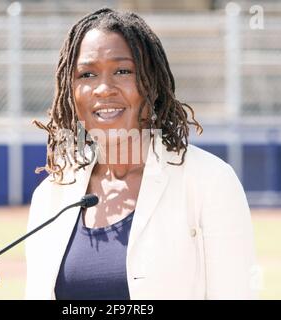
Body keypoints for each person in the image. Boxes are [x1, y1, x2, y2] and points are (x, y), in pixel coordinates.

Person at [26, 7, 257, 300]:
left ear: (153, 85)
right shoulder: (52, 195)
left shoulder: (209, 182)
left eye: (122, 71)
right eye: (87, 74)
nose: (103, 89)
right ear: (71, 92)